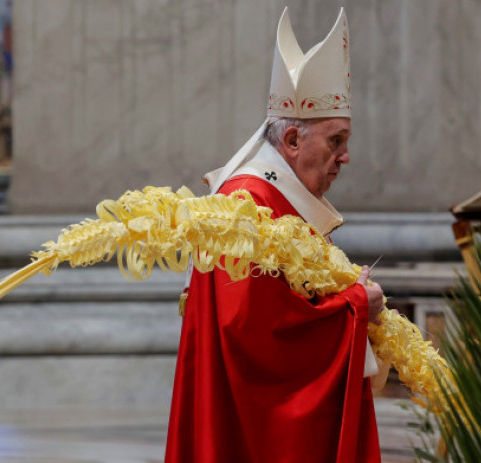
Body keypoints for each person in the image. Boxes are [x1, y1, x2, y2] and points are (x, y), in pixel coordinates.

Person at [165, 8, 385, 462]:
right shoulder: (246, 205)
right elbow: (253, 335)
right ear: (290, 142)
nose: (345, 158)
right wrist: (356, 304)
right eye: (336, 141)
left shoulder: (277, 199)